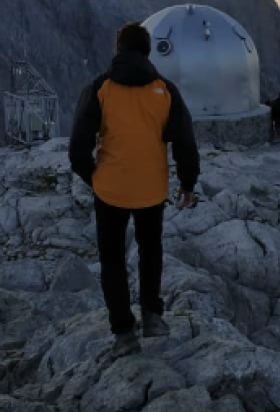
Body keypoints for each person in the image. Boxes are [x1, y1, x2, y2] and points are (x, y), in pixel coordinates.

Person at [69, 22, 200, 358]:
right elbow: (185, 140)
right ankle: (153, 316)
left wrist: (93, 177)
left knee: (112, 261)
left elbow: (78, 146)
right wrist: (187, 183)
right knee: (150, 251)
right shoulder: (165, 90)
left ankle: (124, 333)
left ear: (119, 49)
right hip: (151, 190)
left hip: (110, 190)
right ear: (148, 51)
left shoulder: (100, 88)